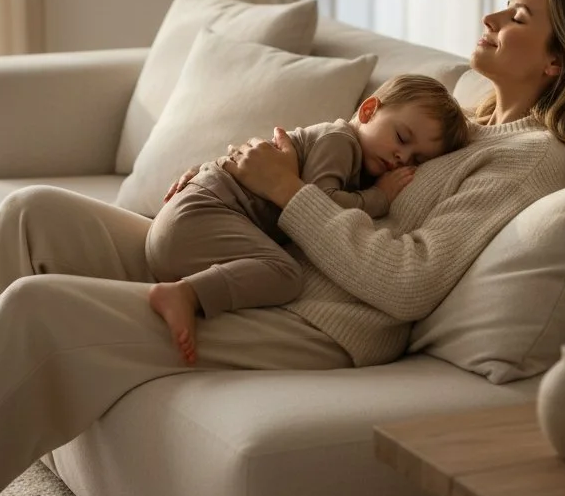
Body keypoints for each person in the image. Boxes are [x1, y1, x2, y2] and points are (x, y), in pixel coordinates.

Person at [0, 0, 565, 496]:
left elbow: (409, 282)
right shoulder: (457, 119)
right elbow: (339, 150)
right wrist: (230, 180)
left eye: (517, 17)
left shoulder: (529, 159)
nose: (490, 18)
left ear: (556, 61)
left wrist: (288, 191)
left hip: (315, 317)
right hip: (262, 258)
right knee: (31, 214)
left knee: (40, 308)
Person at [147, 75, 468, 363]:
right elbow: (319, 201)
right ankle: (187, 294)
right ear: (369, 110)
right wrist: (379, 197)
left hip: (184, 228)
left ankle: (185, 291)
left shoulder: (355, 158)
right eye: (401, 138)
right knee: (285, 274)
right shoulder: (340, 141)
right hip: (202, 215)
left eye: (416, 159)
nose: (402, 157)